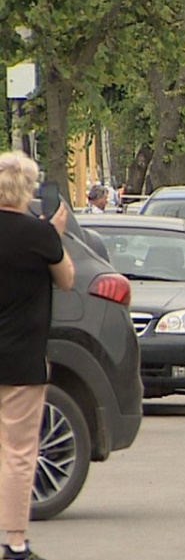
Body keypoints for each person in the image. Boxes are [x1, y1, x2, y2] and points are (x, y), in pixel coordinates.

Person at [0, 151, 75, 560]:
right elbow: (66, 280)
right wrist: (55, 236)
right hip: (21, 359)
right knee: (17, 452)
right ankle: (13, 541)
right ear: (25, 189)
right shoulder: (38, 235)